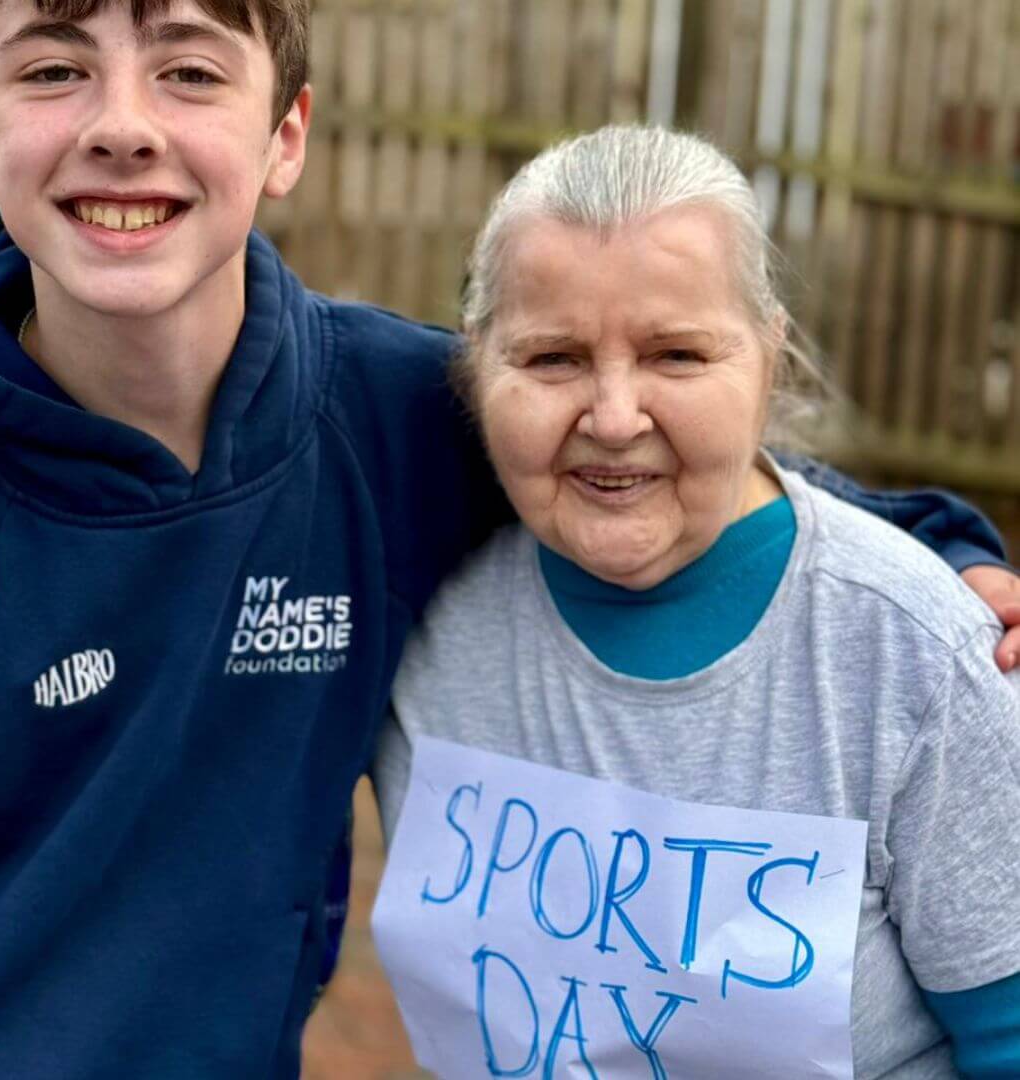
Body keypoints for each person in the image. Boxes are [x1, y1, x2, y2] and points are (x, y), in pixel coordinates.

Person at [0, 4, 1012, 1074]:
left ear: (285, 132)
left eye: (189, 69)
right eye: (54, 68)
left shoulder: (380, 418)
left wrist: (941, 552)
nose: (123, 125)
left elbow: (657, 456)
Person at [372, 126, 1020, 1079]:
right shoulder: (415, 596)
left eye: (677, 355)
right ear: (476, 369)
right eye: (552, 359)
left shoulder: (917, 654)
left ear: (767, 358)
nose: (615, 416)